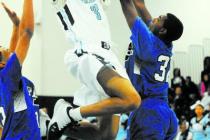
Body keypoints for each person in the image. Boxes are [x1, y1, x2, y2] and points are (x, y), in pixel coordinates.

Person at [47, 0, 140, 140]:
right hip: (88, 51)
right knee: (132, 100)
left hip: (109, 54)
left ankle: (46, 124)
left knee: (106, 135)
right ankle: (70, 114)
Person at [120, 0, 183, 139]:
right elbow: (142, 7)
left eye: (158, 19)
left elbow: (127, 6)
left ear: (162, 30)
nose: (153, 18)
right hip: (165, 113)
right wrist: (141, 5)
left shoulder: (147, 42)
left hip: (148, 111)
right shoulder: (166, 43)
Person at [0, 1, 41, 139]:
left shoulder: (11, 82)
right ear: (2, 64)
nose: (2, 46)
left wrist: (16, 23)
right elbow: (27, 33)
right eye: (1, 48)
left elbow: (13, 49)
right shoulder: (8, 76)